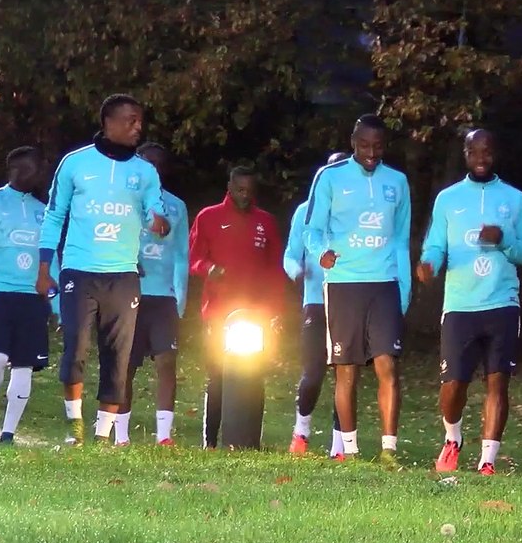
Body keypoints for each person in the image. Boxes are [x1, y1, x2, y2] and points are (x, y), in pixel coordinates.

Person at [37, 94, 169, 446]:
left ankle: (101, 436)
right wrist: (44, 268)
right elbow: (54, 215)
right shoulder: (75, 164)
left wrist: (158, 223)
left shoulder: (144, 172)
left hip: (123, 275)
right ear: (108, 122)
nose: (137, 127)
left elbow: (156, 213)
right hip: (79, 271)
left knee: (118, 356)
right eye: (130, 120)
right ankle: (75, 429)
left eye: (140, 121)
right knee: (75, 348)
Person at [419, 129, 522, 475]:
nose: (481, 159)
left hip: (502, 302)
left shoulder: (515, 199)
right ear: (465, 154)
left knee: (497, 381)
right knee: (453, 386)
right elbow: (435, 246)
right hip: (460, 305)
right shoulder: (448, 199)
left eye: (487, 152)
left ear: (495, 153)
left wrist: (504, 240)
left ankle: (488, 460)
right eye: (474, 152)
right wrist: (429, 265)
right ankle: (453, 438)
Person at [304, 115, 412, 467]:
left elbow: (401, 241)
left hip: (384, 284)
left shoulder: (397, 181)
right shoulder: (330, 177)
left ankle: (389, 450)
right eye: (364, 145)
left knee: (387, 364)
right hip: (344, 283)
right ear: (353, 142)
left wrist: (404, 292)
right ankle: (349, 450)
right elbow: (311, 229)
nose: (371, 153)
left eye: (377, 146)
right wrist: (321, 253)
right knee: (346, 368)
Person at [188, 166, 285, 449]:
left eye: (249, 191)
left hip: (256, 313)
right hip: (219, 311)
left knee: (254, 374)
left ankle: (252, 439)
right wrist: (209, 268)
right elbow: (194, 259)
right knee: (218, 375)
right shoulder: (209, 217)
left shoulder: (265, 221)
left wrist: (276, 310)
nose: (245, 196)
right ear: (229, 187)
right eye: (240, 190)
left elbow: (275, 270)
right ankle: (210, 440)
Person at [0, 146, 56, 445]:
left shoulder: (43, 210)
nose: (39, 176)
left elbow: (51, 257)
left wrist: (55, 301)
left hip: (33, 298)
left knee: (24, 364)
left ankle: (8, 436)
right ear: (18, 170)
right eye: (35, 169)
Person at [116, 142, 189, 446]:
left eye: (158, 164)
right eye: (148, 163)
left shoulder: (176, 206)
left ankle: (164, 436)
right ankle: (121, 435)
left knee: (166, 362)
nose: (153, 169)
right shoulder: (122, 202)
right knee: (125, 366)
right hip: (129, 296)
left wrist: (180, 300)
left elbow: (182, 255)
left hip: (163, 299)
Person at [285, 151, 351, 458]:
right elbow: (290, 255)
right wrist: (297, 272)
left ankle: (339, 446)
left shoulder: (357, 213)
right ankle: (301, 431)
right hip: (315, 301)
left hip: (349, 302)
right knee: (313, 373)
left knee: (344, 374)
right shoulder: (305, 212)